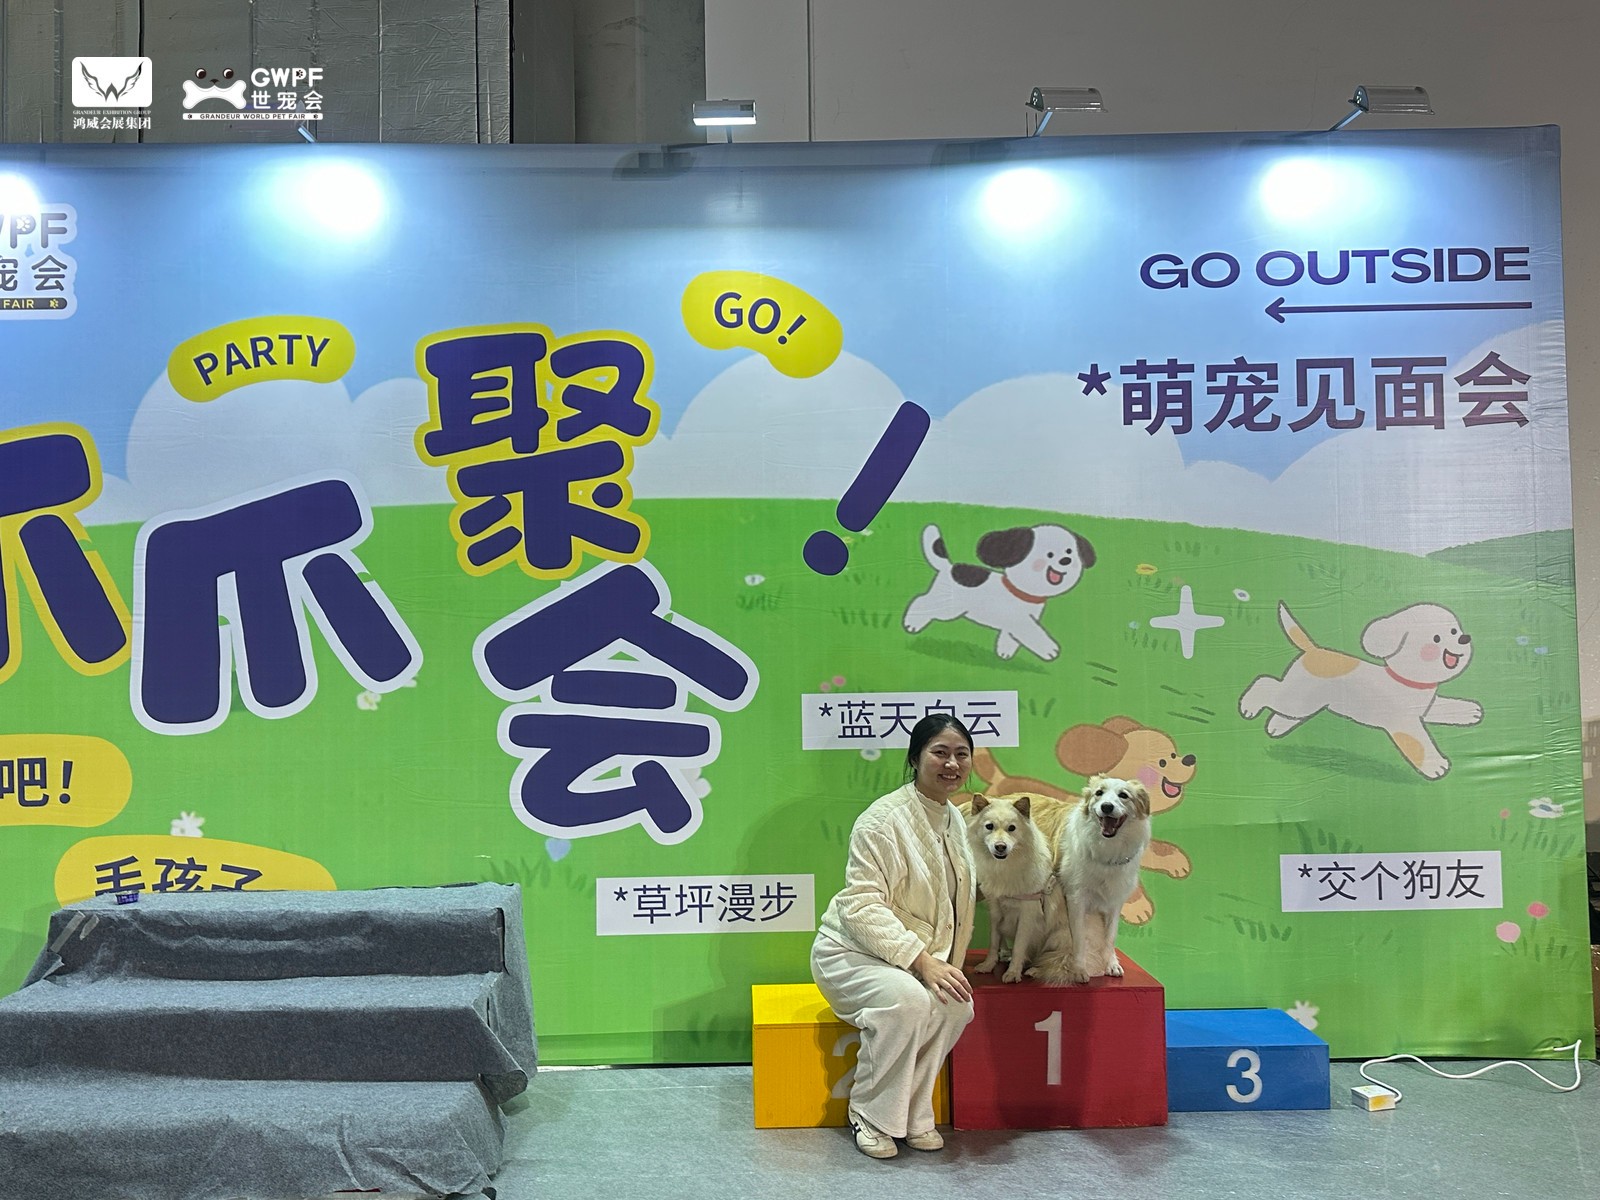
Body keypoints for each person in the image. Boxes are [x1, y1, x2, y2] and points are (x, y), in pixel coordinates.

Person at [810, 713, 978, 1159]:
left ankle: (913, 1113)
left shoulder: (955, 819)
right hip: (850, 952)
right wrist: (921, 961)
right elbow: (860, 905)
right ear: (915, 758)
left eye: (961, 754)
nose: (952, 764)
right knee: (907, 1002)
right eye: (940, 753)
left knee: (956, 1005)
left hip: (913, 958)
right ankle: (869, 1114)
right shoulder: (881, 820)